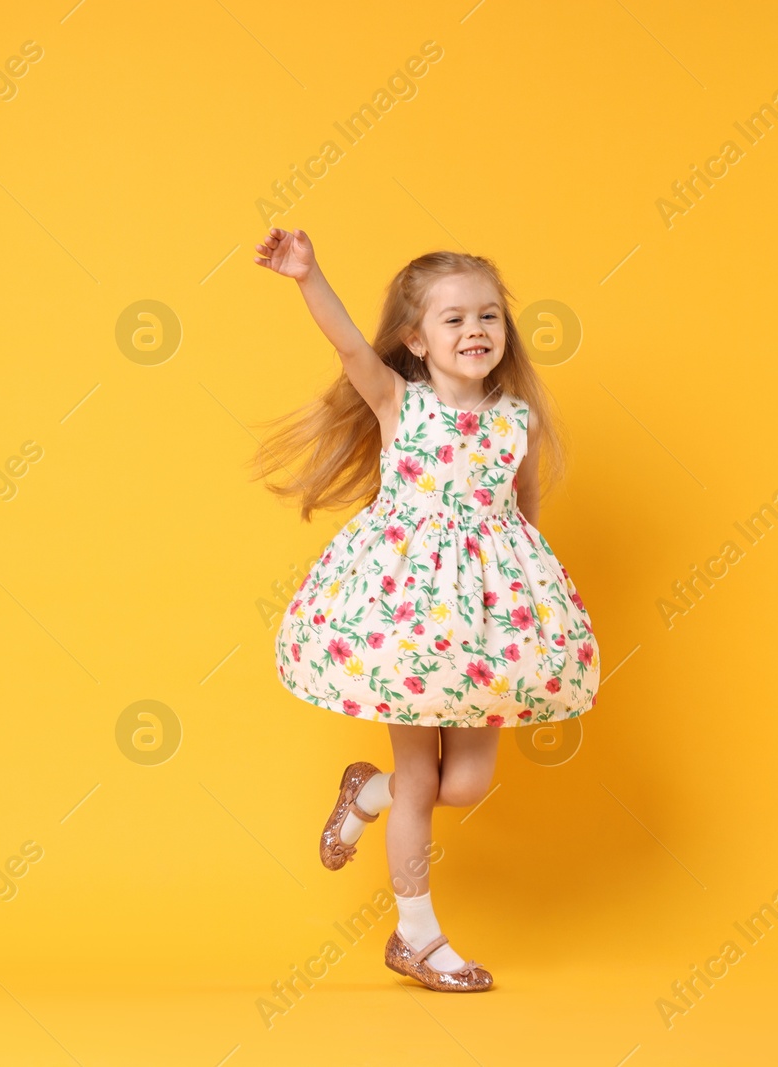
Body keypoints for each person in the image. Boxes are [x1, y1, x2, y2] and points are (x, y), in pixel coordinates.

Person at [251, 228, 600, 992]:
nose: (475, 331)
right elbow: (347, 347)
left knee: (466, 785)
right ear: (416, 338)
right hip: (407, 621)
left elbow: (525, 511)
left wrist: (534, 607)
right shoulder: (397, 403)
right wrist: (308, 275)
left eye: (488, 316)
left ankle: (364, 793)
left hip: (482, 628)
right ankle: (417, 936)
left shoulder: (517, 420)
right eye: (454, 319)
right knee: (421, 780)